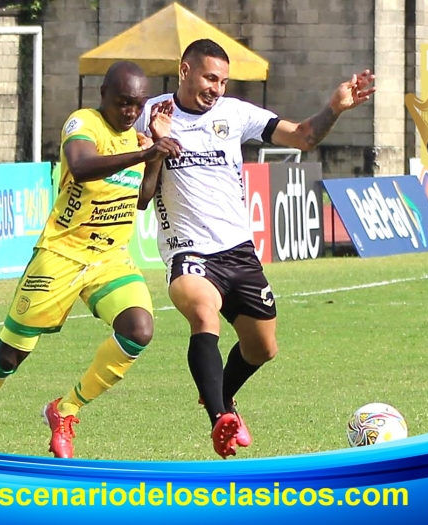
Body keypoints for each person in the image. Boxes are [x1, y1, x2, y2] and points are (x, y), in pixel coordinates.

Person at [136, 39, 376, 459]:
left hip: (238, 251)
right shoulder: (151, 113)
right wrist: (155, 148)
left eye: (223, 81)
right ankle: (219, 418)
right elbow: (140, 193)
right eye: (210, 78)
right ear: (184, 70)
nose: (216, 89)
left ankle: (222, 395)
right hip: (187, 251)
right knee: (204, 314)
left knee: (263, 348)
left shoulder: (236, 113)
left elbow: (303, 137)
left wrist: (335, 107)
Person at [0, 61, 181, 459]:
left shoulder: (137, 139)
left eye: (138, 104)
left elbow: (141, 200)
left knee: (138, 331)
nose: (131, 111)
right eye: (124, 102)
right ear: (103, 95)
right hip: (61, 254)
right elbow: (81, 167)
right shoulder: (83, 123)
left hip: (109, 258)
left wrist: (154, 152)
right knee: (8, 357)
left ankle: (65, 409)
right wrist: (144, 151)